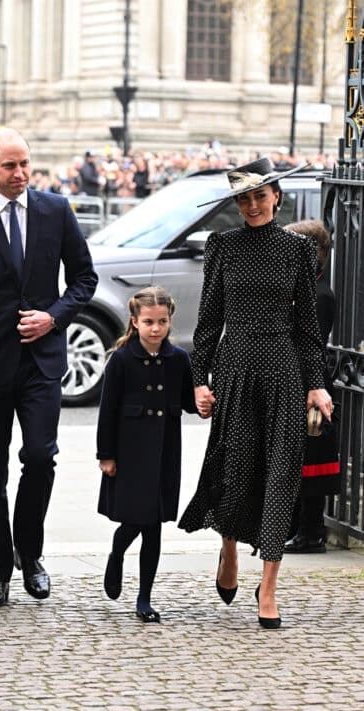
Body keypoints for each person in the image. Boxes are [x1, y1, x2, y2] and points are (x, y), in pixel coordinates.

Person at [0, 127, 98, 610]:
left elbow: (84, 278)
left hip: (41, 362)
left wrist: (54, 315)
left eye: (25, 163)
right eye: (9, 165)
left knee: (39, 456)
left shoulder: (55, 211)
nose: (20, 174)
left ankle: (29, 555)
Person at [178, 158, 334, 629]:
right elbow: (208, 321)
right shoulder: (222, 247)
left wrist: (317, 384)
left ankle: (268, 586)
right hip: (236, 368)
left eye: (259, 196)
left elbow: (307, 327)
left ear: (276, 198)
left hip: (284, 369)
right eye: (243, 198)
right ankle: (228, 547)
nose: (251, 205)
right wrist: (200, 381)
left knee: (282, 474)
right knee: (235, 467)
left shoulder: (297, 250)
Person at [97, 286, 196, 623]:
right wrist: (106, 455)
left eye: (163, 321)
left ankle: (145, 598)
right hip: (130, 453)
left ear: (170, 321)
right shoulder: (122, 359)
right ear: (135, 321)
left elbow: (187, 401)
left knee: (153, 526)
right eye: (149, 321)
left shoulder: (179, 359)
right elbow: (107, 410)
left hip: (165, 453)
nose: (156, 328)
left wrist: (203, 403)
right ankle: (117, 552)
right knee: (134, 521)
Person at [284, 220, 340, 554]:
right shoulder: (303, 288)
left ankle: (311, 532)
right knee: (296, 462)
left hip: (310, 385)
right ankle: (294, 528)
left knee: (311, 463)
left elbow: (310, 346)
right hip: (295, 382)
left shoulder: (320, 295)